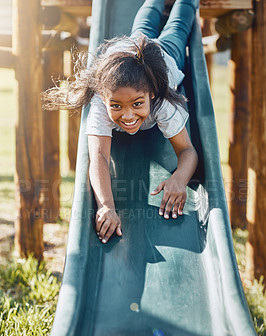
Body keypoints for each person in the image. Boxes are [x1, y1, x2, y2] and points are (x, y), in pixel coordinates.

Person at [42, 0, 199, 244]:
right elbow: (100, 158)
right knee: (144, 23)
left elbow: (188, 151)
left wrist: (179, 179)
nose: (127, 116)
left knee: (177, 26)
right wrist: (106, 206)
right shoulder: (100, 101)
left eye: (137, 104)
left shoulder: (162, 99)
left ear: (152, 95)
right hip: (130, 49)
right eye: (116, 106)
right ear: (104, 99)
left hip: (164, 54)